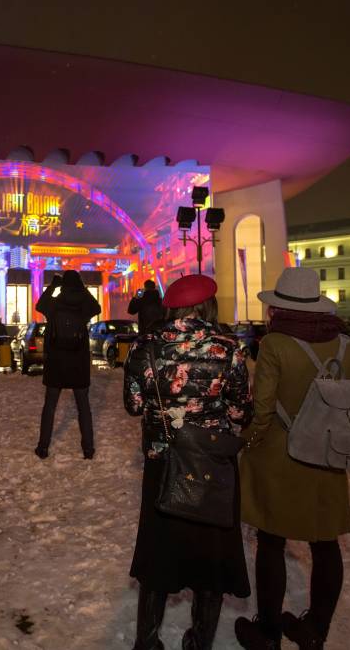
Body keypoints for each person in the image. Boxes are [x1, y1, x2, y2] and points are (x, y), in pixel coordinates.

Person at [123, 274, 253, 650]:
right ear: (207, 305)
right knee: (210, 559)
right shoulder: (227, 347)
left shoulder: (145, 345)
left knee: (158, 552)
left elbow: (133, 407)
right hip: (211, 464)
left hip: (163, 462)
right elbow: (239, 410)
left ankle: (147, 640)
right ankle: (200, 640)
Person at [235, 267, 350, 649]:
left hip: (281, 455)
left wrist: (245, 442)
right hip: (327, 453)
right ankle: (315, 629)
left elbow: (263, 408)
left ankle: (268, 631)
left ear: (280, 308)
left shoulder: (275, 344)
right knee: (326, 543)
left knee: (271, 541)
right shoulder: (345, 345)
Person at [33, 270, 101, 459]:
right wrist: (83, 289)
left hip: (56, 361)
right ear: (79, 284)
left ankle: (43, 447)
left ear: (62, 286)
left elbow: (39, 305)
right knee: (83, 407)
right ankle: (88, 449)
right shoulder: (84, 305)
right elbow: (97, 307)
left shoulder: (54, 305)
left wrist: (54, 286)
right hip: (78, 362)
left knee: (50, 406)